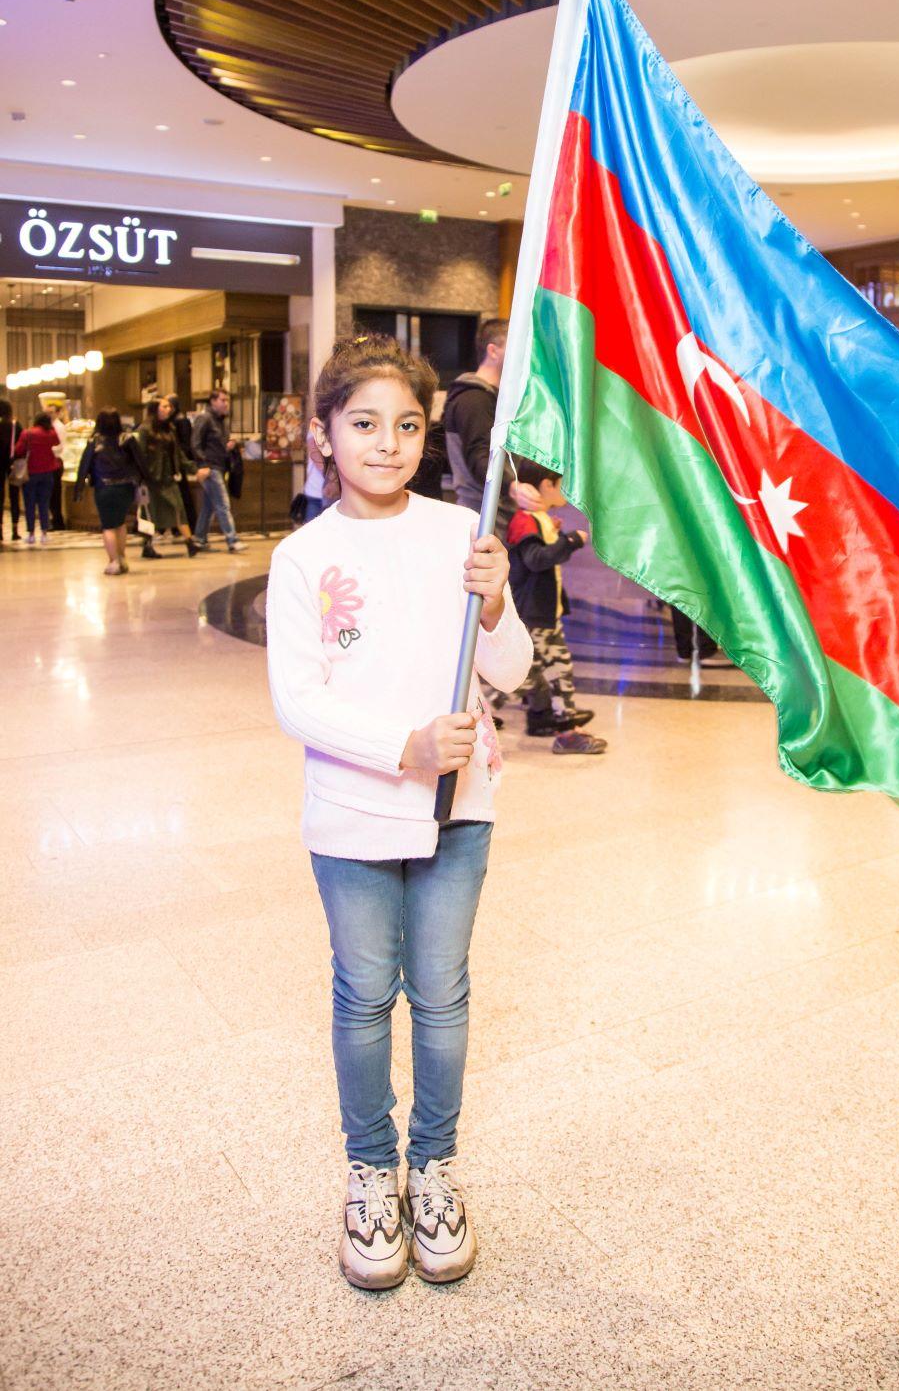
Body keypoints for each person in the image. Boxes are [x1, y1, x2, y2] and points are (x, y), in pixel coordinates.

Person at [264, 333, 532, 1291]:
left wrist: (498, 606)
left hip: (461, 808)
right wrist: (401, 750)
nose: (388, 443)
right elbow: (298, 699)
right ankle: (371, 1172)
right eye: (364, 423)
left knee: (444, 994)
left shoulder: (461, 533)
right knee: (365, 996)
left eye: (408, 424)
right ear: (326, 435)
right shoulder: (305, 557)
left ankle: (434, 1169)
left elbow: (512, 672)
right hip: (353, 814)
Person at [507, 459, 608, 755]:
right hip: (535, 615)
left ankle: (566, 729)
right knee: (524, 677)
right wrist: (569, 542)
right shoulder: (525, 521)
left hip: (545, 615)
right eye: (561, 483)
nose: (566, 490)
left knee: (557, 670)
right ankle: (473, 711)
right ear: (546, 485)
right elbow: (536, 560)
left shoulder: (538, 519)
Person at [442, 318, 540, 536]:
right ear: (493, 351)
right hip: (482, 513)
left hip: (497, 510)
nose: (525, 354)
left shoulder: (492, 398)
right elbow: (480, 456)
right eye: (516, 346)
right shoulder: (473, 398)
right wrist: (512, 487)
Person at [74, 410, 151, 575]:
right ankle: (122, 558)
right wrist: (146, 481)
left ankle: (113, 561)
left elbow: (84, 465)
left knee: (108, 526)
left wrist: (78, 488)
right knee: (120, 523)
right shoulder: (127, 439)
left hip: (104, 488)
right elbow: (140, 461)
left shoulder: (94, 441)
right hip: (126, 487)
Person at [133, 398, 207, 559]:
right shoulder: (145, 429)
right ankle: (147, 545)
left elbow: (178, 454)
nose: (169, 409)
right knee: (149, 514)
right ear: (155, 409)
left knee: (179, 508)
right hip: (151, 480)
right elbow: (139, 455)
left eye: (169, 406)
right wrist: (140, 479)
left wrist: (193, 468)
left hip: (169, 478)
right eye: (165, 406)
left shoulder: (170, 429)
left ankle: (190, 542)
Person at [191, 388, 245, 551]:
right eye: (222, 400)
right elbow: (195, 443)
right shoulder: (205, 418)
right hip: (210, 467)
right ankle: (232, 539)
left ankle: (199, 538)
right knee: (222, 503)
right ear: (213, 401)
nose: (226, 404)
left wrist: (227, 447)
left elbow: (214, 444)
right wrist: (203, 464)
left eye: (227, 400)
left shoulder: (220, 421)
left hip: (218, 466)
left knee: (210, 505)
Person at [13, 411, 61, 546]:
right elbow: (57, 441)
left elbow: (18, 450)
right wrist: (51, 428)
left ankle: (31, 534)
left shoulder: (28, 433)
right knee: (44, 504)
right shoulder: (50, 433)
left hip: (31, 473)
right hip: (48, 473)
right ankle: (44, 532)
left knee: (30, 503)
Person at [167, 394, 198, 530]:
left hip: (178, 465)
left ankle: (188, 526)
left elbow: (185, 444)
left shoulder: (180, 421)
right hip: (176, 463)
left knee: (183, 497)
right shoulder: (174, 421)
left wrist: (180, 460)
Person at [0, 400, 23, 543]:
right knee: (15, 496)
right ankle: (15, 529)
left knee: (0, 497)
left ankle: (0, 530)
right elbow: (21, 445)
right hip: (13, 463)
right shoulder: (16, 425)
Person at [47, 404, 68, 531]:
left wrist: (47, 449)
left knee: (55, 493)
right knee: (52, 493)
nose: (49, 414)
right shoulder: (50, 426)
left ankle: (58, 520)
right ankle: (55, 519)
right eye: (47, 412)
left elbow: (60, 446)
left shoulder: (59, 427)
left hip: (56, 461)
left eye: (51, 412)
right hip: (51, 462)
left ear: (58, 413)